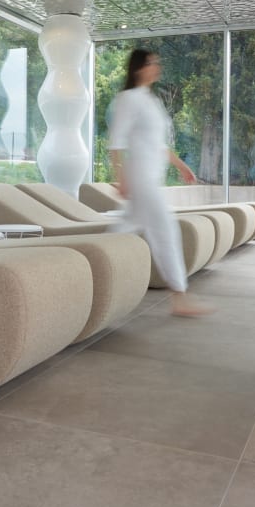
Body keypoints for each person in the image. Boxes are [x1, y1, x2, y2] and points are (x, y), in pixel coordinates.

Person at [107, 49, 212, 317]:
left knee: (124, 229)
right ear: (139, 68)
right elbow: (116, 142)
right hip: (140, 178)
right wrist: (121, 178)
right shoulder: (128, 99)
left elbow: (159, 145)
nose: (157, 66)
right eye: (152, 63)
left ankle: (94, 268)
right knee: (165, 230)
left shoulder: (151, 101)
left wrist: (182, 166)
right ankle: (180, 297)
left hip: (152, 177)